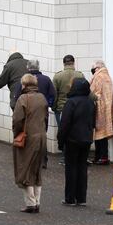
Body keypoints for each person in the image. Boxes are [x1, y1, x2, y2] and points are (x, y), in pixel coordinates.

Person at [12, 73, 48, 213]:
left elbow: (17, 120)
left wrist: (17, 134)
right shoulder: (42, 98)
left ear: (24, 85)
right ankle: (37, 202)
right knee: (36, 170)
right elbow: (45, 117)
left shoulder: (23, 98)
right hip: (41, 137)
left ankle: (30, 203)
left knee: (24, 168)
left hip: (28, 138)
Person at [57, 78, 95, 206]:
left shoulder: (71, 103)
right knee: (82, 168)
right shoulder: (91, 102)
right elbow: (93, 122)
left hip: (72, 139)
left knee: (71, 168)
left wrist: (60, 141)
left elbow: (65, 124)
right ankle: (81, 198)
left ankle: (70, 198)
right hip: (87, 139)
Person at [89, 60, 113, 165]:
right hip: (107, 107)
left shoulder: (99, 76)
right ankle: (101, 157)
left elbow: (92, 92)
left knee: (99, 133)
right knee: (103, 133)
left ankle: (102, 157)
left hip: (99, 107)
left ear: (97, 68)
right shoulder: (107, 76)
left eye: (93, 70)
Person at [52, 55, 84, 126]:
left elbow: (54, 94)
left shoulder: (57, 76)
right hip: (76, 108)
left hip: (61, 108)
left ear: (63, 64)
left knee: (62, 132)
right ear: (73, 63)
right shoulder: (80, 75)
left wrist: (54, 108)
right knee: (74, 132)